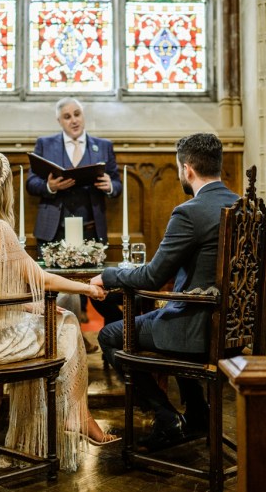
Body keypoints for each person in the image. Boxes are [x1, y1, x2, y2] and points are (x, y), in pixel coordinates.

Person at [0, 152, 120, 473]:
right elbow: (38, 277)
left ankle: (66, 419)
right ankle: (77, 416)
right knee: (68, 322)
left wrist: (31, 306)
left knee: (54, 317)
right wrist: (87, 289)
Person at [90, 133, 239, 451]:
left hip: (195, 329)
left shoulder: (191, 212)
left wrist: (107, 275)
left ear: (187, 169)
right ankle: (198, 413)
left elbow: (153, 276)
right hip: (229, 327)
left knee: (110, 336)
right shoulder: (241, 205)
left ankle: (167, 418)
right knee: (162, 314)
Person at [26, 97, 124, 341]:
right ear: (59, 121)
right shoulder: (45, 144)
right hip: (54, 229)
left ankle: (108, 339)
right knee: (54, 288)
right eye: (67, 117)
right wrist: (49, 185)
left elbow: (118, 183)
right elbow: (31, 182)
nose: (73, 120)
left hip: (91, 229)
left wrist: (110, 185)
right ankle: (57, 341)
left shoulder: (102, 146)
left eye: (77, 114)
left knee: (97, 288)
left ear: (83, 115)